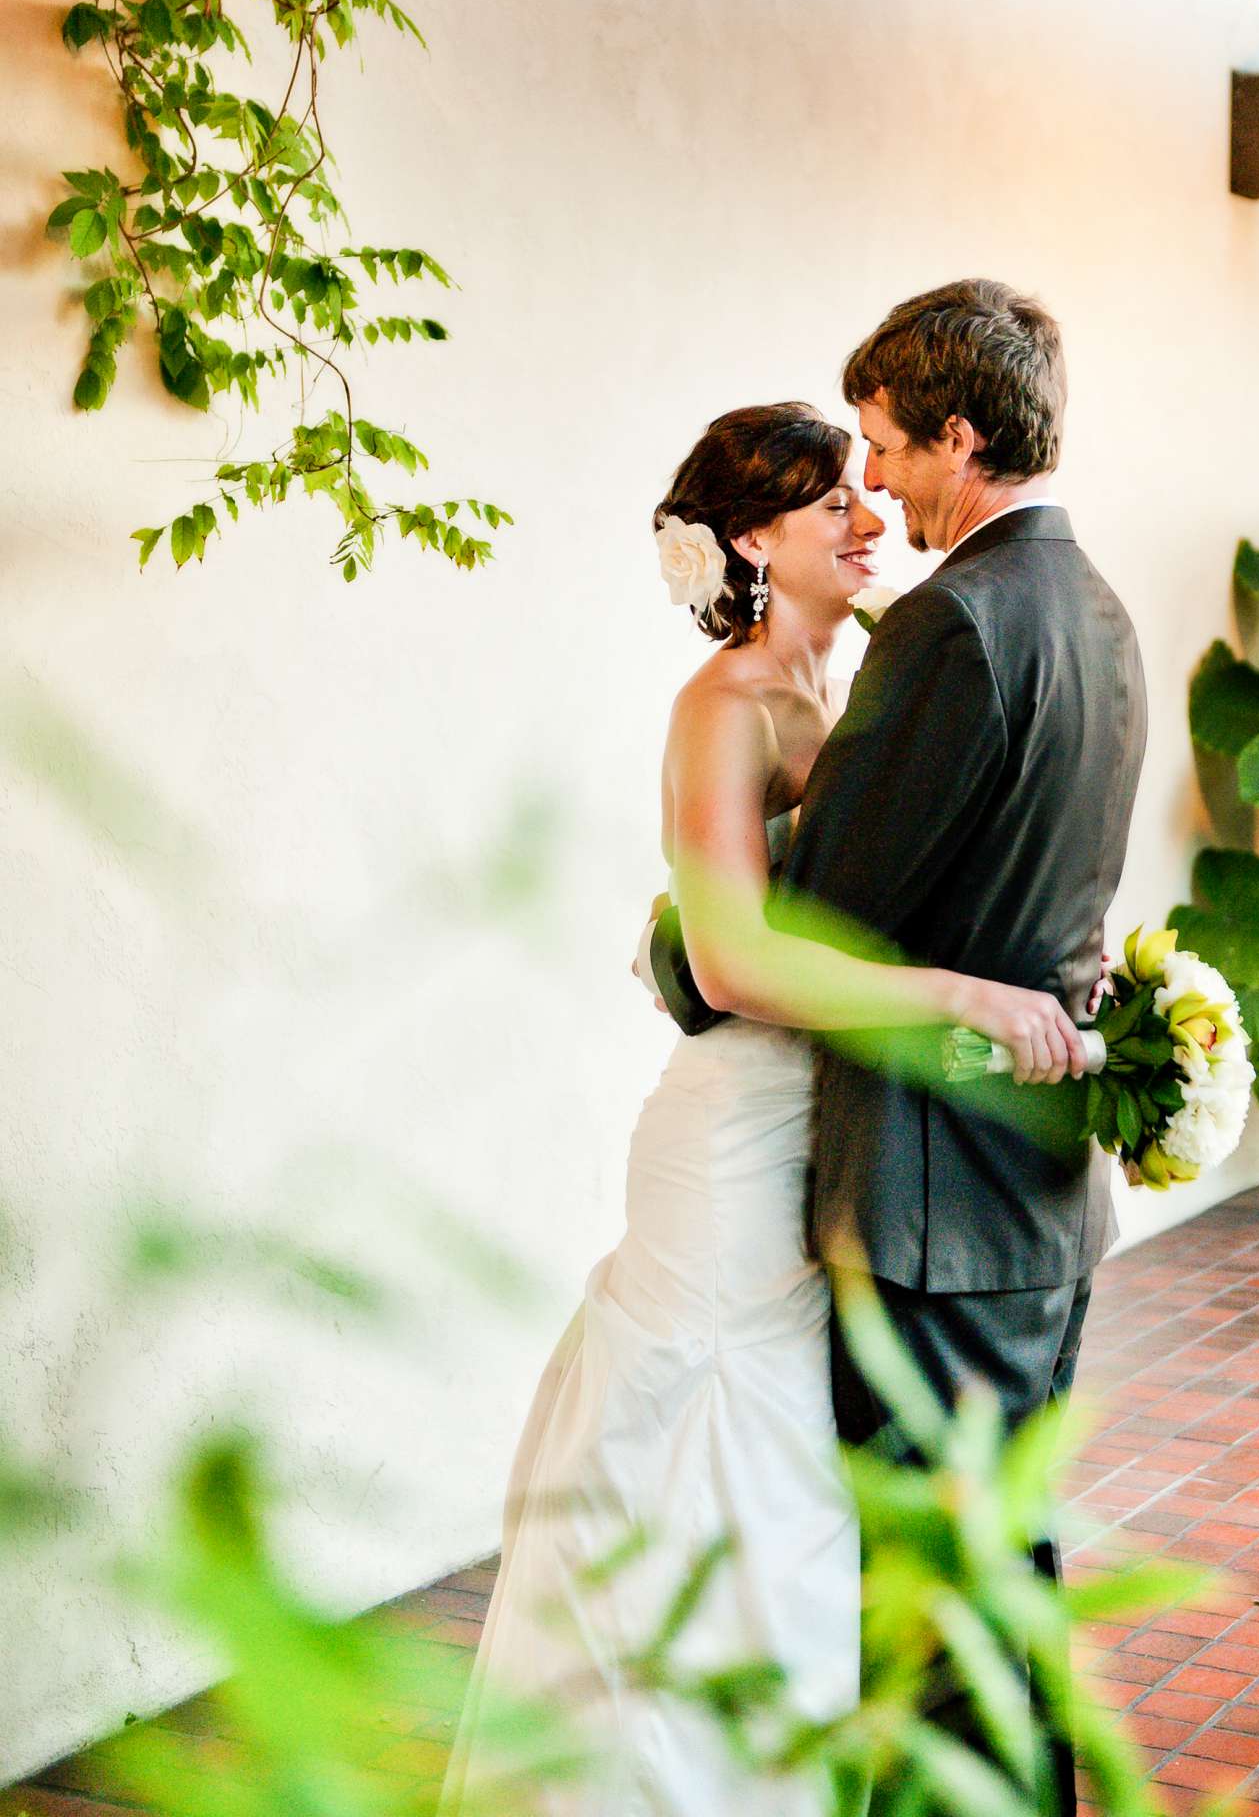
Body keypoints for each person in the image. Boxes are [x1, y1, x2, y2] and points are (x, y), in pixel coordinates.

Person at [442, 390, 1093, 1817]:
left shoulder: (868, 681)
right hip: (734, 1143)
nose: (869, 517)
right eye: (830, 506)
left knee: (794, 1478)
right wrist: (964, 1001)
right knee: (698, 1451)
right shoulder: (719, 710)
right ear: (751, 540)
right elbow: (732, 962)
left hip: (846, 1137)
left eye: (871, 491)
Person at [649, 281, 1148, 1814]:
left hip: (937, 1192)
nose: (878, 490)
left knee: (939, 1602)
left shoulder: (952, 622)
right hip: (1035, 1181)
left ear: (961, 434)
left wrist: (678, 943)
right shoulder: (1099, 609)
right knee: (999, 1567)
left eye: (887, 451)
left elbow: (828, 906)